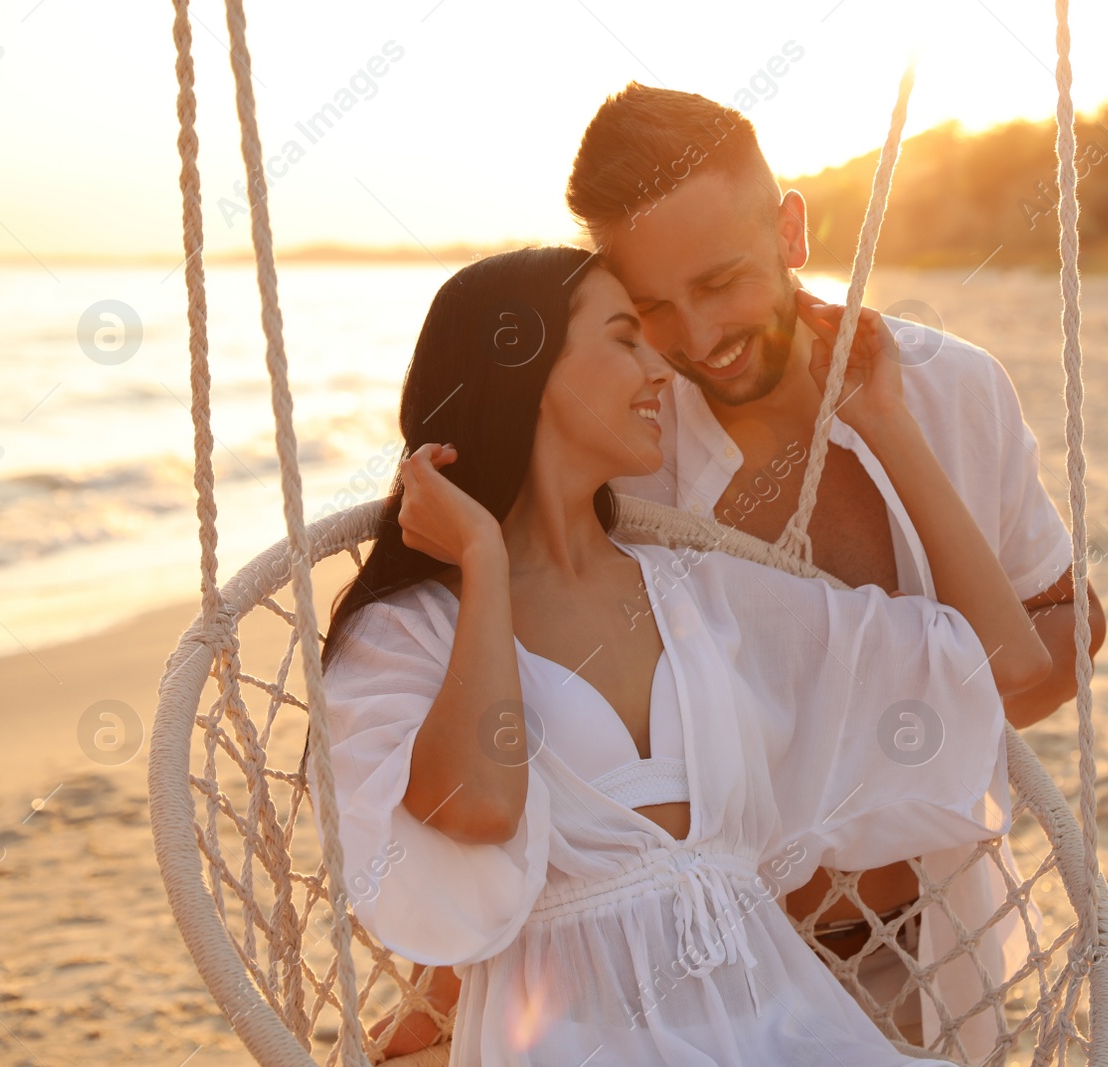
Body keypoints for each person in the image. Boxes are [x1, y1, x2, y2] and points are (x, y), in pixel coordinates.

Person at [311, 245, 1050, 1065]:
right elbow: (482, 807)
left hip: (787, 1030)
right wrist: (483, 561)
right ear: (525, 367)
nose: (660, 368)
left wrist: (883, 423)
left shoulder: (704, 595)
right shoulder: (411, 630)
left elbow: (1006, 663)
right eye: (625, 338)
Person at [565, 84, 1108, 1049]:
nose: (696, 338)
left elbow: (1062, 636)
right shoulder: (625, 447)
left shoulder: (952, 387)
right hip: (692, 964)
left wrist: (887, 430)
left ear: (791, 227)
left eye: (721, 280)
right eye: (652, 306)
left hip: (923, 936)